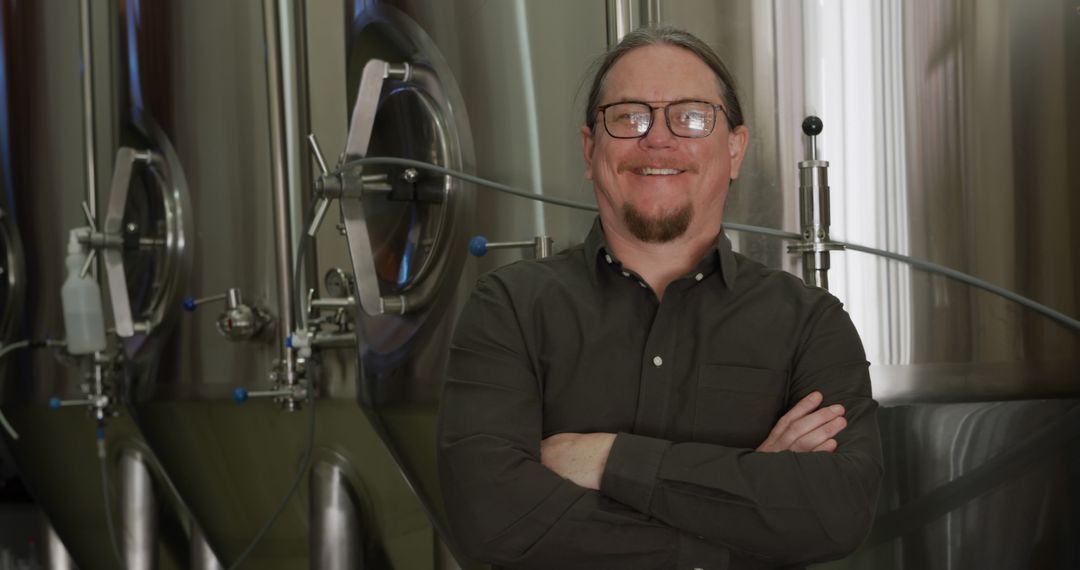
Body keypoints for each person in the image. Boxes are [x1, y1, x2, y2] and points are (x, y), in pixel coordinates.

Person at [437, 26, 882, 570]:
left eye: (692, 116)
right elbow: (491, 519)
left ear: (735, 149)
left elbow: (837, 511)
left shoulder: (809, 324)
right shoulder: (509, 309)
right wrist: (740, 507)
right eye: (628, 116)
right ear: (589, 147)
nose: (658, 140)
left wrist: (609, 460)